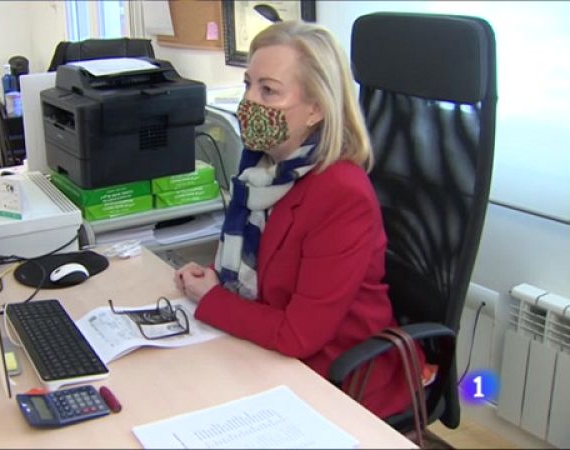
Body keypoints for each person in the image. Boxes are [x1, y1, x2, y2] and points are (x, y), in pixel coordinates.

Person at [174, 20, 423, 419]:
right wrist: (213, 279)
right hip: (267, 354)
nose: (248, 103)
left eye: (268, 90)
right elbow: (258, 267)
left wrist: (213, 299)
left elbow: (298, 335)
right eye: (248, 84)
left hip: (338, 377)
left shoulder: (342, 193)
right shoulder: (260, 166)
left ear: (317, 108)